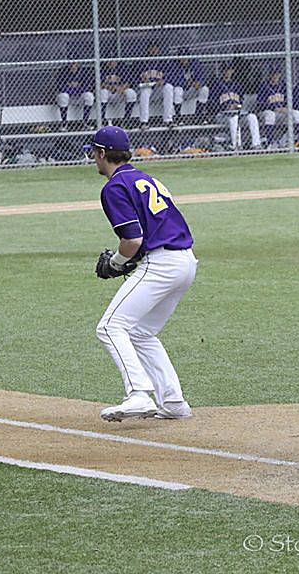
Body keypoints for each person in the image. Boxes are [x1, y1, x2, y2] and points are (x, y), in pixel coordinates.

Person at [85, 125, 196, 422]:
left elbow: (132, 240)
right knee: (141, 333)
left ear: (103, 153)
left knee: (109, 327)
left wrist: (117, 264)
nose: (94, 159)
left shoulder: (114, 187)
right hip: (185, 262)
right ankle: (172, 402)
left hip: (162, 264)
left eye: (95, 153)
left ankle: (137, 394)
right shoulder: (146, 178)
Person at [208, 62, 261, 150]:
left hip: (237, 113)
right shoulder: (216, 85)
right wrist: (225, 107)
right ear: (222, 71)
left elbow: (241, 103)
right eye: (225, 70)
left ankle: (256, 144)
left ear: (232, 71)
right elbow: (212, 104)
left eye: (229, 70)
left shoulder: (236, 85)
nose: (227, 72)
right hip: (222, 115)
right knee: (234, 119)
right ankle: (236, 145)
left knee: (252, 117)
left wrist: (237, 106)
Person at [137, 42, 175, 129]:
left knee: (169, 87)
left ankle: (168, 120)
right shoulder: (142, 61)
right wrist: (142, 79)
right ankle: (144, 122)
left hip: (159, 89)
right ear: (148, 49)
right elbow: (134, 76)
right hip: (148, 87)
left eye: (155, 48)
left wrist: (163, 81)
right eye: (151, 48)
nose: (153, 50)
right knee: (145, 93)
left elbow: (171, 76)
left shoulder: (163, 61)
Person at [168, 50, 209, 125]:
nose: (184, 59)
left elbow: (203, 77)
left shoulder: (195, 63)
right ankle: (179, 117)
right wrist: (186, 83)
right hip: (182, 90)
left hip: (192, 90)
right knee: (177, 90)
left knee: (204, 89)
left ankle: (199, 116)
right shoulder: (174, 65)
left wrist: (199, 82)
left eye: (185, 57)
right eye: (182, 57)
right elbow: (172, 80)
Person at [55, 62, 95, 131]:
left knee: (89, 96)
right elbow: (61, 87)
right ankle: (64, 123)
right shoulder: (63, 72)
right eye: (71, 64)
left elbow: (87, 87)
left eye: (75, 64)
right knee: (63, 96)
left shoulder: (83, 72)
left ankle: (85, 122)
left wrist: (73, 88)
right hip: (68, 97)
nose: (73, 66)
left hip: (79, 96)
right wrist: (75, 89)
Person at [258, 65, 289, 148]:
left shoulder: (283, 85)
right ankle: (270, 143)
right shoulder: (263, 86)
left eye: (276, 74)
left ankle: (282, 141)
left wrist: (286, 107)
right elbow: (260, 104)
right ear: (269, 75)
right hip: (267, 112)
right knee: (270, 115)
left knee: (295, 115)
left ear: (279, 75)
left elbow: (290, 100)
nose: (274, 76)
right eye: (272, 74)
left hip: (282, 112)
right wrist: (274, 108)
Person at [99, 59, 137, 126]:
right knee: (103, 92)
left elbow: (128, 83)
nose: (111, 63)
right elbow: (98, 84)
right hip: (108, 93)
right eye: (109, 61)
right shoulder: (102, 70)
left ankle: (127, 119)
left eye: (113, 61)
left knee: (131, 93)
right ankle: (102, 119)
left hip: (119, 93)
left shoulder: (121, 69)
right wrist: (109, 87)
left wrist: (121, 88)